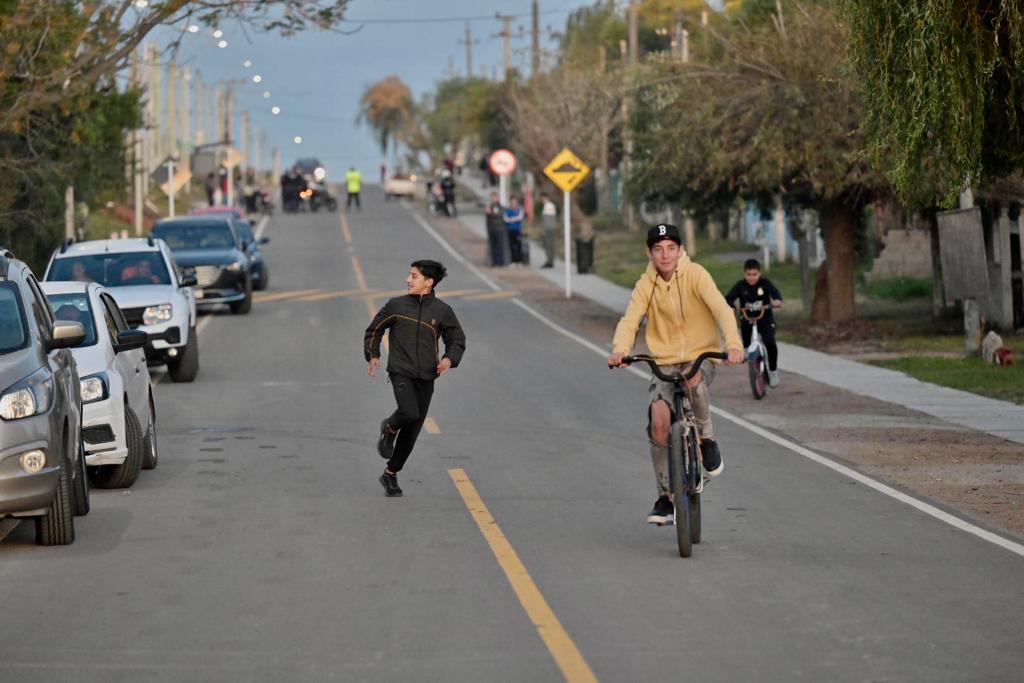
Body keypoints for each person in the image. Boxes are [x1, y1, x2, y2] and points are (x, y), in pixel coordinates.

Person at [607, 224, 744, 525]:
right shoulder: (646, 284)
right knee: (658, 421)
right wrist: (620, 349)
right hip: (665, 363)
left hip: (700, 357)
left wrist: (733, 344)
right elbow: (630, 319)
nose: (665, 255)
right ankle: (665, 498)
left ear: (681, 250)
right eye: (658, 249)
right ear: (649, 252)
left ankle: (707, 439)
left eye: (671, 248)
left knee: (693, 380)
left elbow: (721, 309)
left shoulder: (697, 275)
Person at [364, 260, 466, 497]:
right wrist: (374, 354)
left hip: (427, 376)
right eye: (409, 275)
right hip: (400, 370)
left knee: (412, 430)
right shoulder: (396, 305)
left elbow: (457, 339)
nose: (408, 280)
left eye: (414, 276)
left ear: (429, 282)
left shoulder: (442, 311)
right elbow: (375, 329)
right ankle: (389, 427)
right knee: (409, 412)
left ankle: (390, 474)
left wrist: (449, 359)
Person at [726, 258, 783, 387]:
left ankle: (773, 371)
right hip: (747, 318)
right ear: (744, 274)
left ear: (759, 273)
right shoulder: (740, 286)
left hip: (765, 318)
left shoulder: (765, 284)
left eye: (754, 274)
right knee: (745, 343)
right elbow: (728, 299)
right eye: (748, 274)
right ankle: (751, 359)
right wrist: (733, 306)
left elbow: (776, 295)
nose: (751, 278)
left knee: (770, 342)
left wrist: (776, 301)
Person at [485, 192, 508, 267]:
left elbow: (497, 215)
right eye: (491, 198)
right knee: (493, 246)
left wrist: (489, 213)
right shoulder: (490, 206)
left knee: (499, 246)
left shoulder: (498, 206)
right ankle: (494, 262)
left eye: (494, 197)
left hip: (498, 228)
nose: (492, 199)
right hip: (491, 229)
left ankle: (500, 262)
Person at [503, 196, 525, 266]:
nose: (513, 203)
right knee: (511, 246)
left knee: (518, 246)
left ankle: (519, 261)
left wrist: (511, 219)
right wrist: (514, 219)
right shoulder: (507, 210)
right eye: (512, 202)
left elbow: (520, 218)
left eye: (515, 202)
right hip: (510, 230)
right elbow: (506, 219)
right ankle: (513, 261)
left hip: (517, 230)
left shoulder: (520, 209)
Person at [540, 193, 557, 268]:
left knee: (549, 245)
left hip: (549, 229)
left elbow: (549, 219)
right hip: (549, 228)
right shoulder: (547, 206)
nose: (542, 200)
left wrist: (545, 229)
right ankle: (549, 260)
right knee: (548, 245)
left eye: (543, 199)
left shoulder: (549, 206)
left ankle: (550, 261)